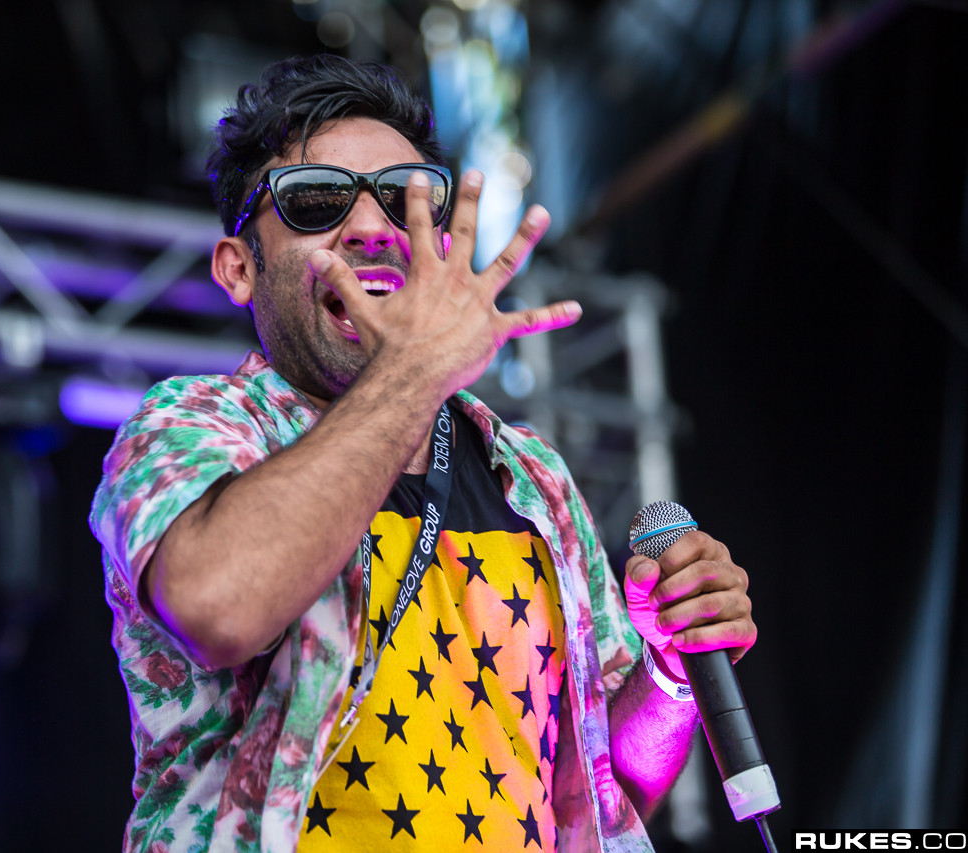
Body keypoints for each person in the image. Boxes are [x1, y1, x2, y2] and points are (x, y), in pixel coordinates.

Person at [90, 54, 756, 853]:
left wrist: (671, 672)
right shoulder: (193, 426)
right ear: (239, 269)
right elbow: (219, 605)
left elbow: (601, 795)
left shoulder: (532, 476)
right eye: (316, 201)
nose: (373, 228)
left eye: (406, 200)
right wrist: (415, 369)